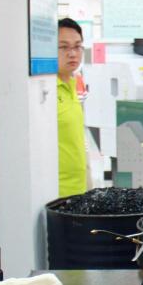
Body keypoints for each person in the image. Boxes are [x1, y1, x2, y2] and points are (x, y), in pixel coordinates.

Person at [56, 17, 87, 197]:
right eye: (64, 47)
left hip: (77, 189)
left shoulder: (73, 85)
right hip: (55, 192)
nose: (72, 53)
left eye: (77, 46)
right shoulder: (45, 91)